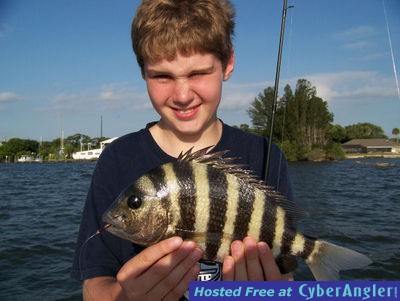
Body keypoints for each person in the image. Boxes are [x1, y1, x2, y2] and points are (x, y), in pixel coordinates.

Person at [71, 0, 294, 300]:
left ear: (227, 64)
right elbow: (94, 286)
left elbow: (285, 275)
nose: (183, 95)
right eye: (162, 76)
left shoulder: (266, 155)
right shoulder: (117, 160)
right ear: (142, 72)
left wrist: (274, 292)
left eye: (199, 73)